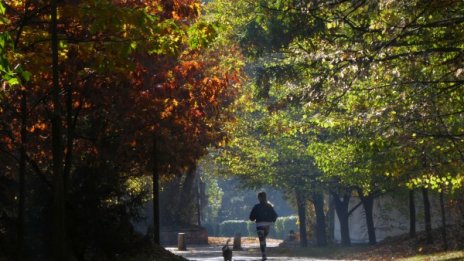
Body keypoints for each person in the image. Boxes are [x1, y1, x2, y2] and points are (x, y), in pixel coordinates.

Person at [249, 192, 278, 261]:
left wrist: (255, 218)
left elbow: (251, 218)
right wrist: (271, 220)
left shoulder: (256, 207)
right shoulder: (269, 206)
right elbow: (275, 216)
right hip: (267, 225)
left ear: (259, 198)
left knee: (261, 240)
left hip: (259, 225)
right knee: (263, 238)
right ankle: (264, 252)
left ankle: (263, 254)